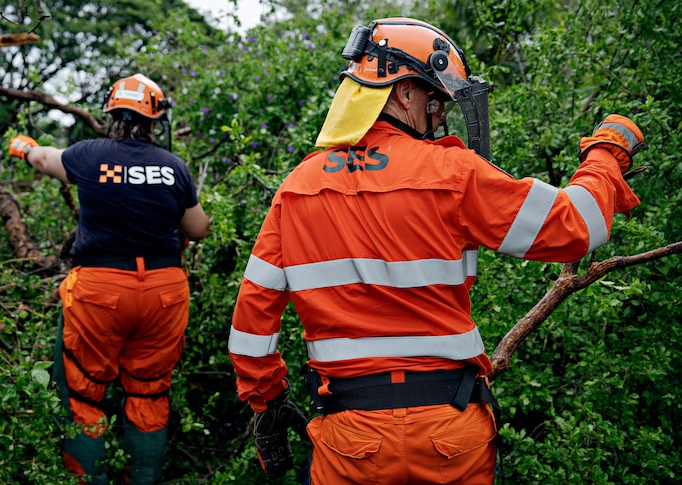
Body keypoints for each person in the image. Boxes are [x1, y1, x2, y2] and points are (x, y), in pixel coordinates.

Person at [227, 17, 643, 484]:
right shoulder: (452, 172)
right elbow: (577, 225)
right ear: (404, 93)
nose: (441, 114)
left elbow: (250, 324)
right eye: (435, 100)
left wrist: (266, 399)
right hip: (451, 434)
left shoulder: (298, 188)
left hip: (350, 440)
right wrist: (607, 154)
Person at [8, 73, 211, 485]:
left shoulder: (89, 154)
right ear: (155, 120)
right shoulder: (173, 167)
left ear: (112, 115)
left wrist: (24, 147)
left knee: (83, 396)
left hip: (100, 291)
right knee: (150, 394)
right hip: (163, 293)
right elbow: (199, 229)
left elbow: (47, 159)